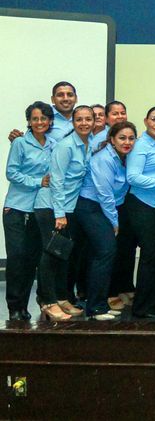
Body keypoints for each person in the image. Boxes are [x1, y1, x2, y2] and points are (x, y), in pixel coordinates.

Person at [34, 105, 94, 320]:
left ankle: (61, 298)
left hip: (68, 208)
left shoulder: (89, 144)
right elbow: (56, 181)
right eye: (79, 119)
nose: (84, 123)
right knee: (51, 255)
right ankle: (48, 302)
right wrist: (59, 214)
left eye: (89, 119)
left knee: (63, 256)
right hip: (51, 207)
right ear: (73, 122)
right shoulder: (66, 146)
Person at [73, 121, 136, 320]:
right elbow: (105, 194)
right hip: (91, 207)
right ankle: (96, 308)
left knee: (102, 254)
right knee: (106, 251)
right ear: (112, 139)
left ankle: (98, 304)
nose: (127, 142)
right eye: (122, 138)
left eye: (131, 138)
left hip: (104, 209)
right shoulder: (104, 158)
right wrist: (114, 221)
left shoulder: (123, 157)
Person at [4, 101, 56, 320]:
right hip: (17, 208)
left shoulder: (53, 144)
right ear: (29, 121)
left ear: (50, 121)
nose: (39, 122)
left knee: (32, 260)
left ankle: (24, 308)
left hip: (40, 210)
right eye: (35, 118)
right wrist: (38, 181)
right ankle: (14, 307)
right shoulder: (20, 143)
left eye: (43, 118)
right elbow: (11, 173)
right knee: (17, 258)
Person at [126, 107, 155, 319]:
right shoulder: (140, 145)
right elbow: (133, 177)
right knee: (150, 255)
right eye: (154, 119)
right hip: (142, 204)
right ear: (146, 121)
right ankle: (142, 307)